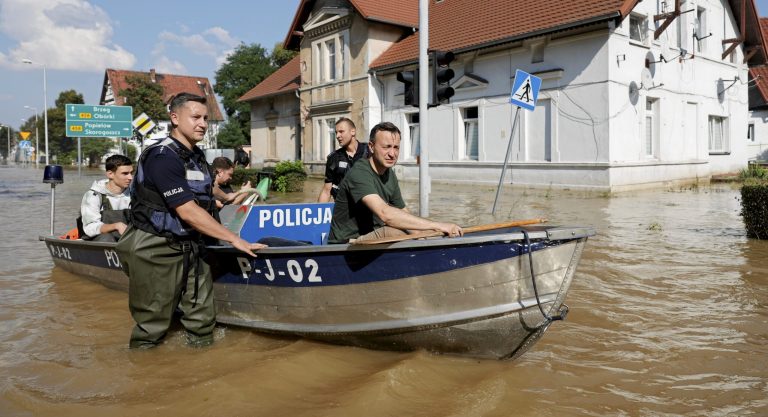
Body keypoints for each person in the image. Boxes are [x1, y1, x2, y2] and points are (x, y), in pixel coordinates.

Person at [115, 92, 267, 349]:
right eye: (195, 117)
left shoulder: (196, 156)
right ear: (174, 118)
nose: (203, 124)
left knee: (202, 321)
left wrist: (231, 198)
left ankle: (200, 371)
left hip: (193, 246)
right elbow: (186, 210)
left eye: (206, 118)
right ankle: (144, 376)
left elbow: (207, 189)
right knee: (152, 326)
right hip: (156, 246)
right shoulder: (162, 157)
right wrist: (234, 239)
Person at [328, 122, 463, 243]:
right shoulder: (359, 173)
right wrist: (438, 225)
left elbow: (403, 212)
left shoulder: (389, 174)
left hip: (372, 239)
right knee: (394, 231)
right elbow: (385, 214)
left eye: (396, 147)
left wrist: (427, 235)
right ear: (371, 146)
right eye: (386, 147)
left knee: (420, 232)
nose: (392, 153)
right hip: (347, 244)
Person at [79, 154, 133, 242]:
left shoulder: (135, 195)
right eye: (125, 173)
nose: (130, 177)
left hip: (127, 239)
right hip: (101, 240)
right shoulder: (93, 196)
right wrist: (116, 226)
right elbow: (90, 228)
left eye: (131, 173)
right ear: (110, 174)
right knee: (106, 238)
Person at [317, 117, 369, 202]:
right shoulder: (333, 158)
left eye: (341, 132)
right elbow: (326, 191)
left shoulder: (369, 152)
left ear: (353, 131)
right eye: (336, 132)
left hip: (368, 208)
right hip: (343, 209)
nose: (337, 136)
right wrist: (318, 211)